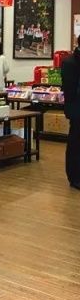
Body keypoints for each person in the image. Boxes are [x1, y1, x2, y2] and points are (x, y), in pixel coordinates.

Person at [62, 36, 80, 190]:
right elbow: (69, 90)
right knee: (75, 143)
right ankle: (74, 177)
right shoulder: (70, 62)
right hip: (76, 109)